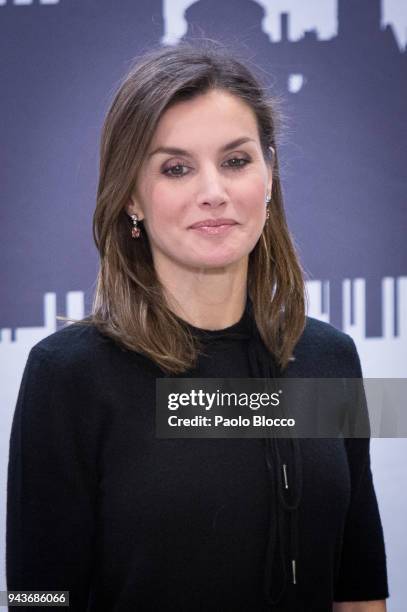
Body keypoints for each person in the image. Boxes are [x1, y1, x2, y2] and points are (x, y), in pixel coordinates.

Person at [6, 40, 389, 611]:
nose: (213, 193)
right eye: (176, 168)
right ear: (132, 195)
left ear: (268, 173)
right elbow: (40, 598)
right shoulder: (70, 376)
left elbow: (358, 590)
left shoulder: (330, 359)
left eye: (236, 161)